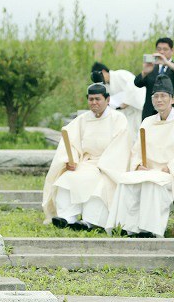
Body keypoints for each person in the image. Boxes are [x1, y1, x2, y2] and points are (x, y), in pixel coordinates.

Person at [42, 83, 129, 231]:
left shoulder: (118, 119)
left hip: (107, 165)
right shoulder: (82, 119)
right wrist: (72, 160)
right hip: (86, 162)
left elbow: (120, 147)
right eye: (91, 99)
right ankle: (67, 217)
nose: (94, 103)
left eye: (97, 99)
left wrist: (104, 166)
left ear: (107, 100)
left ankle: (90, 221)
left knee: (100, 183)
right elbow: (70, 141)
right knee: (67, 178)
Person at [106, 75, 174, 238]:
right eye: (155, 96)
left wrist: (169, 167)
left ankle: (149, 229)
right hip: (148, 170)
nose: (159, 100)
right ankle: (125, 227)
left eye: (163, 96)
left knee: (151, 184)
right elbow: (136, 150)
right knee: (126, 180)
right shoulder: (147, 122)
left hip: (168, 174)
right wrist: (138, 165)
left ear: (172, 99)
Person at [90, 62, 144, 139]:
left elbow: (133, 87)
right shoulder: (105, 86)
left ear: (104, 72)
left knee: (140, 133)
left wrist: (126, 102)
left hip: (137, 109)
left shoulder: (121, 75)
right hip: (125, 113)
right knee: (129, 135)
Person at [134, 37, 174, 119]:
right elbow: (137, 83)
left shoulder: (172, 67)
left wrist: (167, 63)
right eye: (159, 49)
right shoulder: (151, 67)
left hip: (170, 113)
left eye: (165, 49)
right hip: (150, 113)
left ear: (172, 50)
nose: (161, 52)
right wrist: (144, 72)